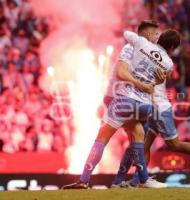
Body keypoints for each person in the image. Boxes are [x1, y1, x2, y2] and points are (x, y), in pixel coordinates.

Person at [62, 20, 166, 189]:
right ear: (146, 34)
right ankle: (138, 180)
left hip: (128, 101)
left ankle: (87, 180)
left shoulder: (140, 51)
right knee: (136, 135)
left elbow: (127, 74)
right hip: (131, 102)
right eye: (155, 34)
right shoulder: (143, 52)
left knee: (114, 137)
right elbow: (128, 74)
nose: (158, 37)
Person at [112, 37, 190, 189]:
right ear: (171, 47)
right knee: (143, 145)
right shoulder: (165, 59)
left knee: (173, 145)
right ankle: (136, 181)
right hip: (154, 107)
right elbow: (169, 74)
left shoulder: (152, 54)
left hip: (157, 108)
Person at [110, 28, 181, 188]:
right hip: (141, 102)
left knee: (135, 141)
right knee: (138, 140)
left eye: (158, 34)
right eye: (154, 33)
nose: (155, 35)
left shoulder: (139, 43)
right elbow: (166, 75)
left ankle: (120, 181)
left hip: (125, 97)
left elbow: (126, 33)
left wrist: (140, 41)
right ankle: (141, 180)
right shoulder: (167, 62)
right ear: (172, 48)